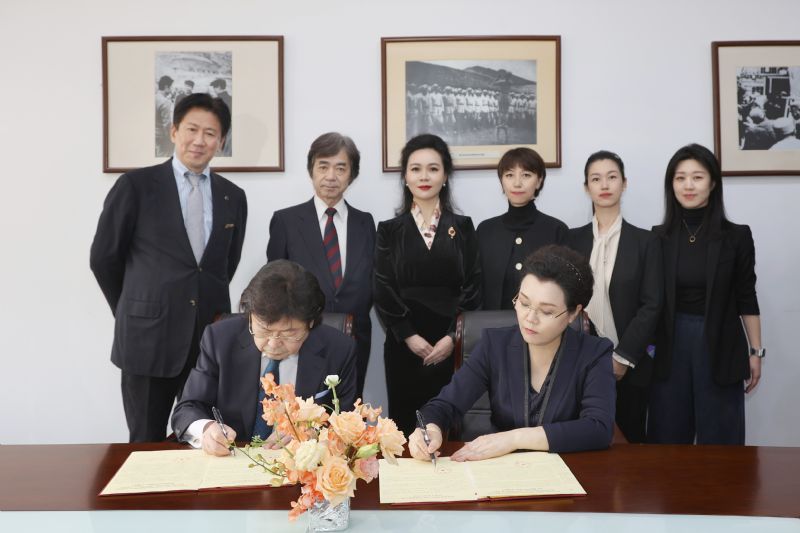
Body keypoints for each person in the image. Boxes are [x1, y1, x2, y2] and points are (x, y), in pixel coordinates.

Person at [90, 93, 247, 442]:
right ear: (174, 131)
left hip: (207, 341)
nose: (199, 140)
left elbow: (224, 264)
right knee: (145, 441)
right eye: (192, 129)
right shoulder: (136, 186)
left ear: (221, 141)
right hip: (148, 339)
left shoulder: (233, 196)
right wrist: (132, 308)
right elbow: (103, 258)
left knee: (208, 440)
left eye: (210, 133)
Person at [409, 245, 615, 462]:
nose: (530, 318)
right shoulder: (494, 345)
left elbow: (599, 428)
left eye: (546, 311)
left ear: (574, 313)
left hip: (569, 470)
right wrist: (430, 429)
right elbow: (444, 405)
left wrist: (514, 439)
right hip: (504, 472)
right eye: (524, 303)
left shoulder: (594, 353)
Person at [172, 260, 358, 456]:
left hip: (299, 464)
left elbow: (349, 422)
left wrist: (313, 435)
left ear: (310, 323)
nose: (273, 344)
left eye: (288, 333)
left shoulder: (338, 349)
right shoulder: (219, 340)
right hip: (232, 458)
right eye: (264, 331)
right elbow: (188, 408)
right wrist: (206, 429)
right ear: (250, 317)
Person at [648, 143, 763, 445]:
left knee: (721, 441)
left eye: (697, 177)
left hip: (721, 345)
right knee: (668, 440)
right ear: (671, 185)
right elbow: (650, 301)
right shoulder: (657, 237)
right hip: (670, 347)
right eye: (680, 178)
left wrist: (756, 351)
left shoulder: (736, 236)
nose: (688, 185)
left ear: (712, 183)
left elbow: (746, 296)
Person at [374, 133, 481, 436]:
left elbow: (473, 286)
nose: (424, 176)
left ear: (445, 176)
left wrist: (452, 338)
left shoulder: (463, 227)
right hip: (404, 344)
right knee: (405, 427)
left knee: (449, 423)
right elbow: (382, 287)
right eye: (416, 169)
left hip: (452, 343)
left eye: (433, 169)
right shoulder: (389, 230)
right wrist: (409, 335)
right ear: (405, 177)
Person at [267, 132, 375, 398]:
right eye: (323, 166)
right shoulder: (286, 221)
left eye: (341, 168)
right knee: (302, 409)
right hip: (302, 335)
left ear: (352, 175)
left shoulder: (365, 222)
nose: (331, 176)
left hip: (355, 336)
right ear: (311, 170)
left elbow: (372, 279)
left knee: (349, 409)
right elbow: (275, 283)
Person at [566, 151, 663, 443]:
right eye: (596, 179)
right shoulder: (571, 240)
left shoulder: (646, 241)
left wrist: (622, 358)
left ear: (624, 183)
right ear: (586, 187)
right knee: (581, 443)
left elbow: (652, 304)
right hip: (577, 363)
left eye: (612, 177)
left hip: (629, 364)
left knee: (631, 446)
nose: (604, 185)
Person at [477, 147, 567, 310]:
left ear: (539, 181)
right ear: (501, 181)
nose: (517, 183)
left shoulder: (557, 230)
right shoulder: (485, 231)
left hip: (541, 322)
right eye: (509, 175)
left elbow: (565, 289)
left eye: (526, 175)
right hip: (491, 322)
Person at [155, 75, 174, 155]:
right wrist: (171, 138)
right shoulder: (165, 102)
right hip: (162, 137)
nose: (172, 89)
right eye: (171, 87)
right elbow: (167, 124)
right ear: (166, 87)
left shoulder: (154, 97)